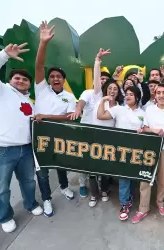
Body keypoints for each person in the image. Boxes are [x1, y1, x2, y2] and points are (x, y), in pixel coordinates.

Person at [0, 42, 43, 233]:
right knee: (1, 188)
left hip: (25, 149)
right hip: (0, 150)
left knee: (29, 182)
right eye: (17, 78)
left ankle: (30, 204)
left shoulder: (29, 101)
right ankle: (4, 216)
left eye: (25, 79)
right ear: (10, 80)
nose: (21, 81)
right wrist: (3, 55)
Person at [31, 21, 77, 217]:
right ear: (48, 79)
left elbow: (69, 118)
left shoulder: (70, 97)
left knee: (61, 165)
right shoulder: (41, 90)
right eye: (52, 76)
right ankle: (47, 199)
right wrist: (43, 43)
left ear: (63, 79)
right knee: (42, 171)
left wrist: (46, 117)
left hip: (59, 136)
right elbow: (39, 65)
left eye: (59, 76)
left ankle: (65, 187)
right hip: (40, 138)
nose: (55, 78)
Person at [132, 84, 164, 224]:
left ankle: (160, 202)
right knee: (145, 178)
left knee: (162, 179)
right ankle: (143, 208)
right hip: (150, 148)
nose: (161, 95)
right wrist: (154, 131)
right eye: (158, 92)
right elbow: (145, 128)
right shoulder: (149, 110)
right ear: (155, 95)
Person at [67, 48, 112, 198]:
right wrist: (97, 61)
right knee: (84, 160)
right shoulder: (89, 92)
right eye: (101, 79)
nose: (103, 81)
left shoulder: (108, 98)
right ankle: (81, 183)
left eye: (106, 79)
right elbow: (81, 103)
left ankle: (100, 185)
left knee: (98, 161)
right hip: (85, 132)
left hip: (101, 134)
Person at [97, 86, 145, 221]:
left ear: (137, 97)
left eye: (131, 94)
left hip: (136, 151)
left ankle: (129, 198)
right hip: (121, 150)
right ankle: (124, 204)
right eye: (127, 94)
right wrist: (103, 100)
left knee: (132, 177)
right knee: (123, 178)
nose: (128, 96)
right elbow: (100, 116)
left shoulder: (143, 113)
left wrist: (143, 129)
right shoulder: (119, 109)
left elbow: (146, 128)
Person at [88, 78, 123, 207]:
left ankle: (104, 191)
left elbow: (108, 119)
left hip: (109, 141)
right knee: (92, 169)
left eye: (115, 89)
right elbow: (98, 115)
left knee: (105, 169)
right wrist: (97, 61)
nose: (112, 91)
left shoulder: (119, 107)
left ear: (118, 92)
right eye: (110, 88)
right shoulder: (97, 99)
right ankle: (93, 194)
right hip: (94, 139)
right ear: (105, 89)